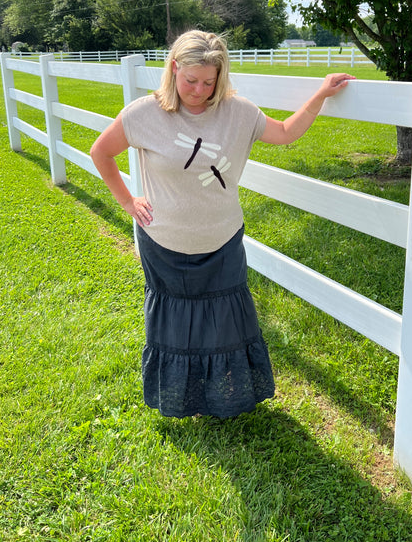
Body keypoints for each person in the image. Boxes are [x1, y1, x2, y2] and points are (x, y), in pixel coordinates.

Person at [90, 30, 355, 419]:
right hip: (164, 243)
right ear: (174, 68)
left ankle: (223, 397)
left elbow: (284, 133)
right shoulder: (143, 114)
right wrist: (129, 201)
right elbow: (101, 152)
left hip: (223, 239)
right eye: (190, 80)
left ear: (220, 75)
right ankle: (184, 399)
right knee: (176, 327)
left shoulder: (238, 112)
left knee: (224, 325)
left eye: (209, 81)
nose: (198, 90)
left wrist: (319, 96)